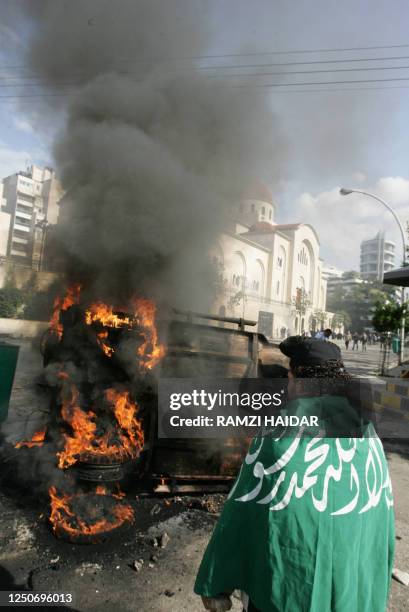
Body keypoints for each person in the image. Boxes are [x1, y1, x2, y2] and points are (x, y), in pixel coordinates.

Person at [195, 336, 395, 612]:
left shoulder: (278, 436)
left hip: (286, 593)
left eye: (289, 377)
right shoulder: (369, 438)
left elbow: (241, 513)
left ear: (299, 381)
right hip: (351, 590)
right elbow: (380, 520)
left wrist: (216, 584)